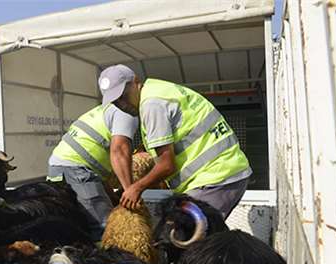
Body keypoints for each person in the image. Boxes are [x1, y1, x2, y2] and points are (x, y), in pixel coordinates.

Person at [101, 64, 252, 219]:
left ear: (135, 81)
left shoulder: (152, 105)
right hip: (224, 173)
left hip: (216, 178)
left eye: (123, 96)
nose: (122, 105)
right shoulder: (158, 89)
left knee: (186, 238)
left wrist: (136, 188)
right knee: (201, 234)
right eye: (116, 102)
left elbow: (167, 165)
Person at [47, 76, 139, 240]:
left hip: (58, 165)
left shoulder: (105, 109)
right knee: (106, 227)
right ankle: (107, 263)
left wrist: (111, 194)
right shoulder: (126, 113)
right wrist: (131, 190)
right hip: (77, 169)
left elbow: (98, 167)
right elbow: (119, 151)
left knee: (76, 221)